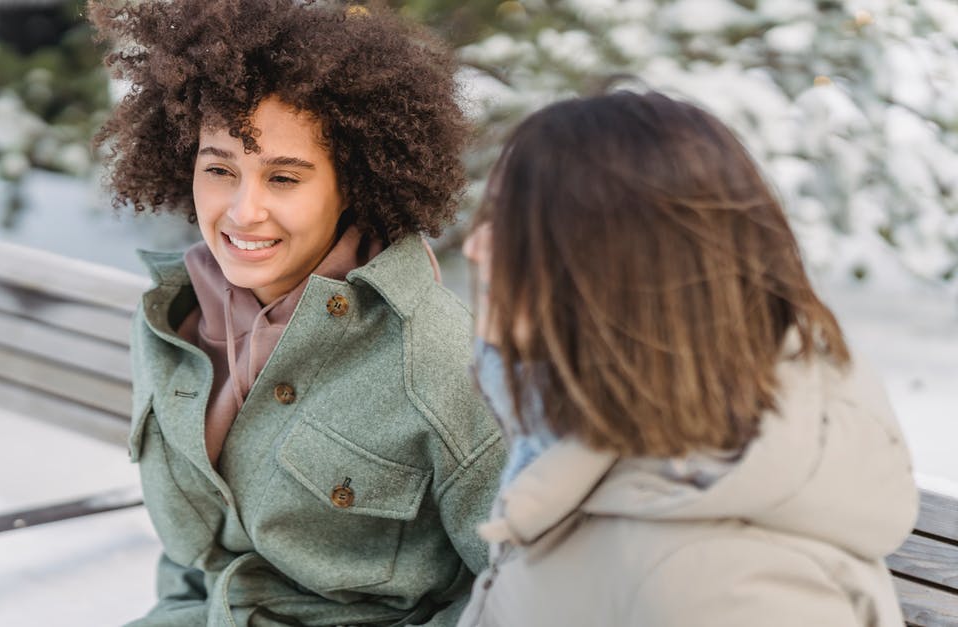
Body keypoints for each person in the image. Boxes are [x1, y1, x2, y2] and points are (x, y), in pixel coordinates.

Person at [89, 1, 505, 624]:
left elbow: (519, 590)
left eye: (284, 178)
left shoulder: (439, 358)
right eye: (219, 169)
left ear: (353, 185)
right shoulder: (167, 323)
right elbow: (193, 560)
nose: (242, 211)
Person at [457, 90, 919, 626]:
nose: (475, 247)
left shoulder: (721, 585)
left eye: (509, 224)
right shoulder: (577, 444)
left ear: (611, 273)